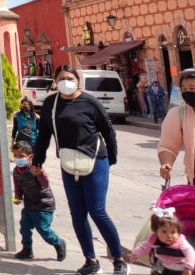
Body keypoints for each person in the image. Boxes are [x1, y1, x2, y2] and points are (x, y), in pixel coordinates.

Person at [33, 64, 128, 275]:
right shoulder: (51, 103)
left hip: (95, 160)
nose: (66, 82)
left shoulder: (90, 102)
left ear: (77, 80)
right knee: (77, 213)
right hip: (69, 163)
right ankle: (91, 260)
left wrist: (111, 158)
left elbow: (108, 131)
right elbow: (44, 135)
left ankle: (119, 260)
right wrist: (37, 161)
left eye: (70, 78)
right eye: (61, 79)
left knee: (97, 211)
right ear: (55, 82)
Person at [12, 141, 67, 262]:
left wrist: (40, 173)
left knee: (43, 230)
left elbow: (45, 184)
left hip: (43, 205)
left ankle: (59, 243)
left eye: (21, 156)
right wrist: (18, 197)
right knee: (24, 228)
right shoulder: (16, 171)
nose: (17, 159)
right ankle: (27, 250)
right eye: (15, 156)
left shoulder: (35, 168)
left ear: (30, 157)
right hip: (29, 205)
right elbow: (17, 186)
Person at [127, 207, 195, 275]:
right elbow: (144, 247)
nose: (169, 235)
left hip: (182, 269)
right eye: (164, 232)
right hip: (166, 267)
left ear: (178, 231)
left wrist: (188, 268)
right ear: (156, 232)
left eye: (173, 232)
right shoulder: (153, 239)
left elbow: (190, 253)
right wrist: (136, 255)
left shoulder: (180, 241)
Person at [158, 68, 195, 184]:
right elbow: (168, 145)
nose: (187, 92)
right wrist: (166, 164)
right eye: (184, 89)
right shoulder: (178, 114)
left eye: (192, 88)